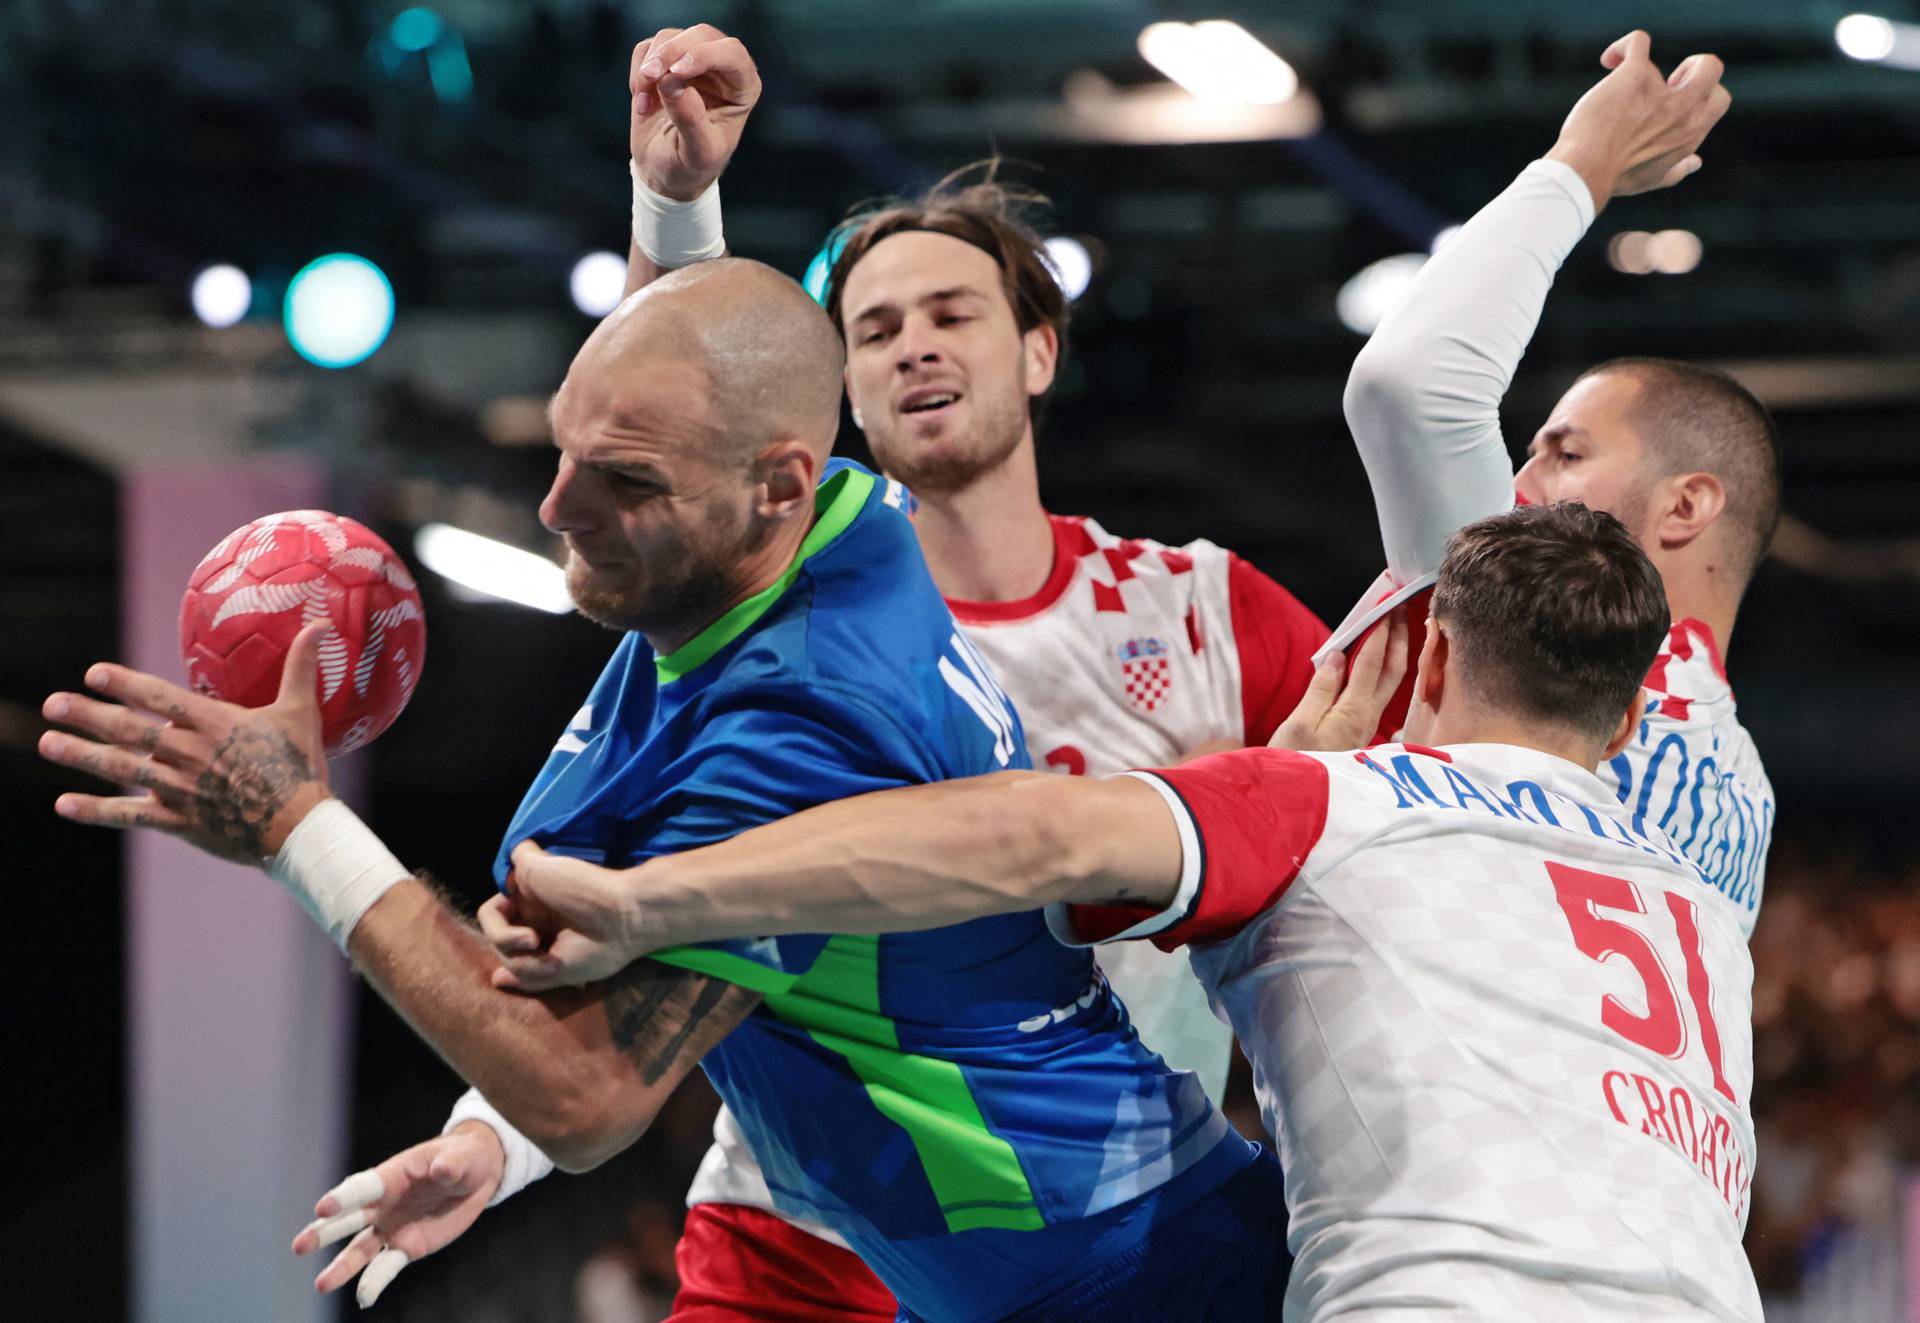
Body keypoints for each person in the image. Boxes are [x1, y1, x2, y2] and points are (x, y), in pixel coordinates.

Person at [39, 261, 1289, 1320]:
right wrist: (492, 1133)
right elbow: (712, 382)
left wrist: (295, 827)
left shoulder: (811, 725)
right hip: (1003, 1263)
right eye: (569, 446)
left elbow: (587, 1097)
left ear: (779, 488)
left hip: (1125, 1277)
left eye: (621, 483)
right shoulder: (838, 525)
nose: (558, 506)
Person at [344, 22, 1329, 1320]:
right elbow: (693, 393)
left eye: (951, 312)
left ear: (1039, 352)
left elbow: (1369, 843)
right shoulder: (797, 612)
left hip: (1099, 1211)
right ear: (833, 407)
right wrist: (493, 1132)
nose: (914, 344)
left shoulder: (1206, 610)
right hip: (802, 1230)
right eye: (873, 329)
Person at [498, 501, 1764, 1322]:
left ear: (1428, 661)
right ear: (1621, 717)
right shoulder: (1698, 910)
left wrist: (649, 901)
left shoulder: (1345, 801)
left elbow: (1024, 833)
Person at [1333, 30, 1773, 931]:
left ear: (1686, 505)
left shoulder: (1544, 640)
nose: (1520, 480)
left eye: (1564, 453)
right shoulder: (1743, 784)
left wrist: (1584, 162)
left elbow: (1408, 386)